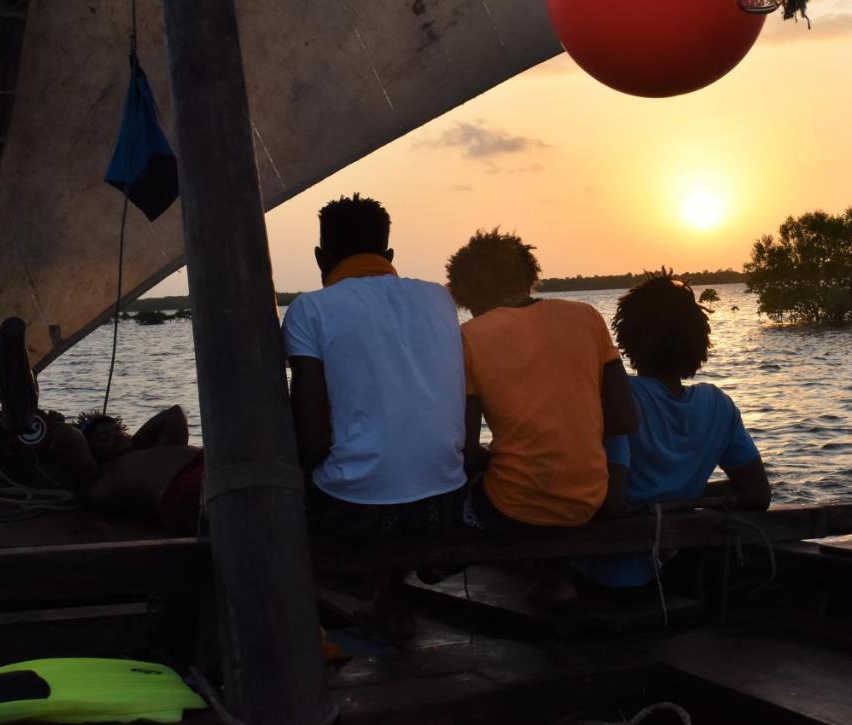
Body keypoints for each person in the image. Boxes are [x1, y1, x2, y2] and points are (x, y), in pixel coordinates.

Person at [283, 194, 467, 635]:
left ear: (319, 258)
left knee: (301, 489)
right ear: (389, 256)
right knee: (382, 471)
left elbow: (310, 440)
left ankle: (295, 623)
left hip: (357, 511)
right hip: (445, 502)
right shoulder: (440, 298)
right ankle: (390, 600)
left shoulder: (309, 309)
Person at [575, 272, 771, 589]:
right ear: (699, 341)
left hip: (595, 570)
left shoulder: (616, 398)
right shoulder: (718, 406)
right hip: (664, 569)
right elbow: (757, 494)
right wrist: (687, 497)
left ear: (626, 337)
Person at [445, 228, 638, 536]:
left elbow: (464, 450)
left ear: (466, 294)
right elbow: (626, 418)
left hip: (513, 505)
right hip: (589, 500)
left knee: (447, 505)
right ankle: (554, 575)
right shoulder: (586, 317)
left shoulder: (468, 337)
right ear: (528, 276)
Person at [42, 405, 204, 535]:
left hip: (207, 465)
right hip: (185, 488)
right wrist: (54, 425)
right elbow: (69, 434)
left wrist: (131, 443)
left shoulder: (154, 450)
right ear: (89, 452)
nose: (115, 436)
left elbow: (174, 414)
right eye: (102, 438)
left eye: (118, 432)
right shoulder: (98, 480)